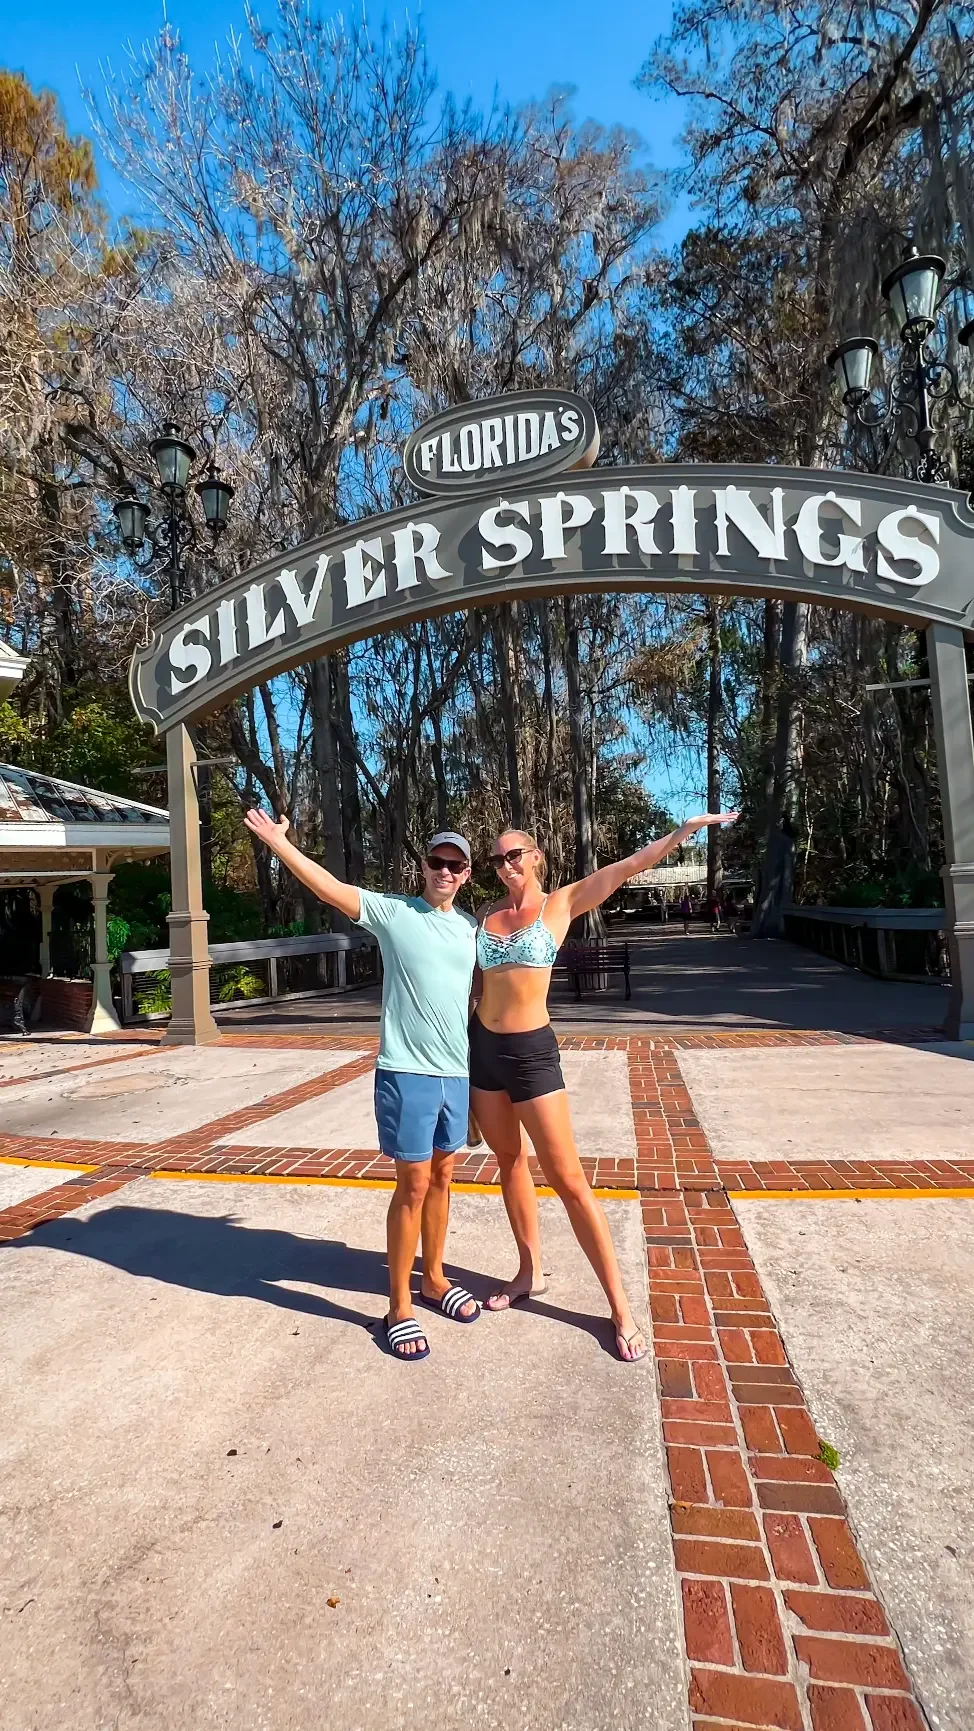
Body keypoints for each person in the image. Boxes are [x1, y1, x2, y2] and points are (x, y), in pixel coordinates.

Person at [470, 812, 739, 1362]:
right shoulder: (484, 915)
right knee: (509, 1162)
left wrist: (685, 831)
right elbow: (470, 987)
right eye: (497, 860)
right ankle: (528, 1271)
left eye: (514, 855)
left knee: (568, 1179)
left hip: (532, 1053)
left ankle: (619, 1307)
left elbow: (628, 866)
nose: (505, 866)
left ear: (537, 855)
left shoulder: (560, 903)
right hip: (484, 1054)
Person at [243, 809, 480, 1363]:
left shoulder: (471, 928)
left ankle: (435, 1279)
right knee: (414, 1185)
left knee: (444, 1176)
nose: (445, 871)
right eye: (437, 862)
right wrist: (281, 845)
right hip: (407, 1071)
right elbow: (328, 888)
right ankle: (398, 1306)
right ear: (423, 867)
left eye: (455, 865)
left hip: (457, 1072)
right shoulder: (396, 913)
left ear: (467, 874)